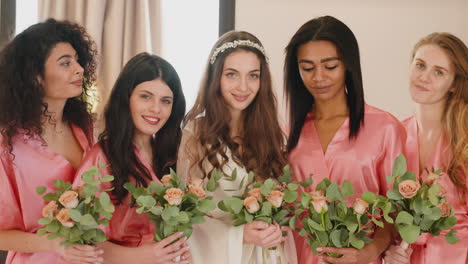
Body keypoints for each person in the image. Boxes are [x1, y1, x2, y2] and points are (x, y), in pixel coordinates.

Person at [284, 16, 406, 264]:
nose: (318, 77)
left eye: (330, 66)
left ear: (348, 65)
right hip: (299, 257)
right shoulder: (286, 134)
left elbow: (398, 208)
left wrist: (371, 251)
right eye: (307, 68)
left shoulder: (385, 127)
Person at [177, 31, 297, 263]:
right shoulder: (196, 134)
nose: (243, 86)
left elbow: (282, 206)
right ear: (216, 78)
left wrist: (277, 227)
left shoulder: (272, 134)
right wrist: (240, 234)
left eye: (253, 76)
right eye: (232, 74)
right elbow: (186, 215)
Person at [74, 52, 192, 264]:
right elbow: (81, 241)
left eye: (165, 101)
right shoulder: (101, 157)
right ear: (126, 97)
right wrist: (142, 256)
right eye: (145, 96)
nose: (156, 108)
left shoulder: (171, 157)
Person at [0, 19, 102, 263]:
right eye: (66, 63)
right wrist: (54, 244)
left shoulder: (85, 128)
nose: (79, 69)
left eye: (77, 60)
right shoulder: (8, 143)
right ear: (35, 76)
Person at [383, 32, 468, 264]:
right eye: (420, 65)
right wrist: (389, 251)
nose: (424, 77)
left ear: (453, 84)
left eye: (438, 72)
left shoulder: (465, 140)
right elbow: (385, 216)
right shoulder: (392, 135)